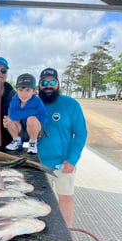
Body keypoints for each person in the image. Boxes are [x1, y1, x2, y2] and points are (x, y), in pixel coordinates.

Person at [37, 67, 87, 228]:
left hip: (63, 165)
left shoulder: (71, 104)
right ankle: (41, 235)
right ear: (39, 84)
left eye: (52, 82)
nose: (48, 85)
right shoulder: (33, 104)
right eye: (44, 82)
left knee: (65, 198)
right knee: (40, 202)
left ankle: (66, 236)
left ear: (58, 84)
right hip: (39, 164)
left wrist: (72, 160)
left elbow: (81, 134)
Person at [3, 73, 48, 154]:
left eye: (28, 90)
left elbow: (44, 117)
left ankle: (33, 143)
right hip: (20, 130)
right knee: (10, 119)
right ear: (16, 90)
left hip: (34, 131)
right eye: (20, 90)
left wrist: (28, 117)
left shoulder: (37, 100)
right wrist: (32, 112)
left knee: (32, 119)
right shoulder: (15, 99)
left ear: (34, 91)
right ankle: (16, 140)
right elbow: (12, 115)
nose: (24, 94)